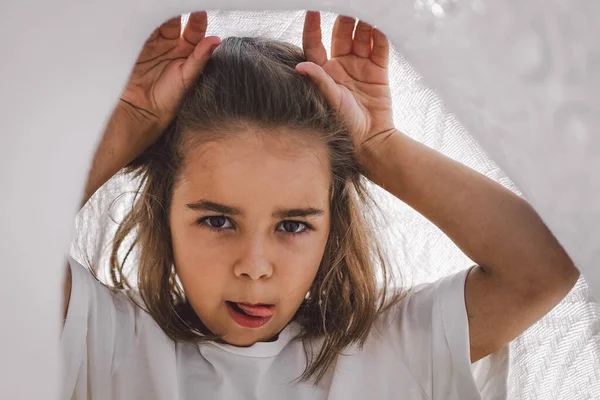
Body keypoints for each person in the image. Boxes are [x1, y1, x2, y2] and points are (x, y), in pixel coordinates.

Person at [61, 11, 580, 400]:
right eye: (218, 220)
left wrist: (380, 148)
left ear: (333, 221)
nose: (255, 267)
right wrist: (129, 124)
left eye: (292, 225)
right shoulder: (106, 342)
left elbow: (544, 267)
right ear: (163, 213)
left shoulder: (392, 347)